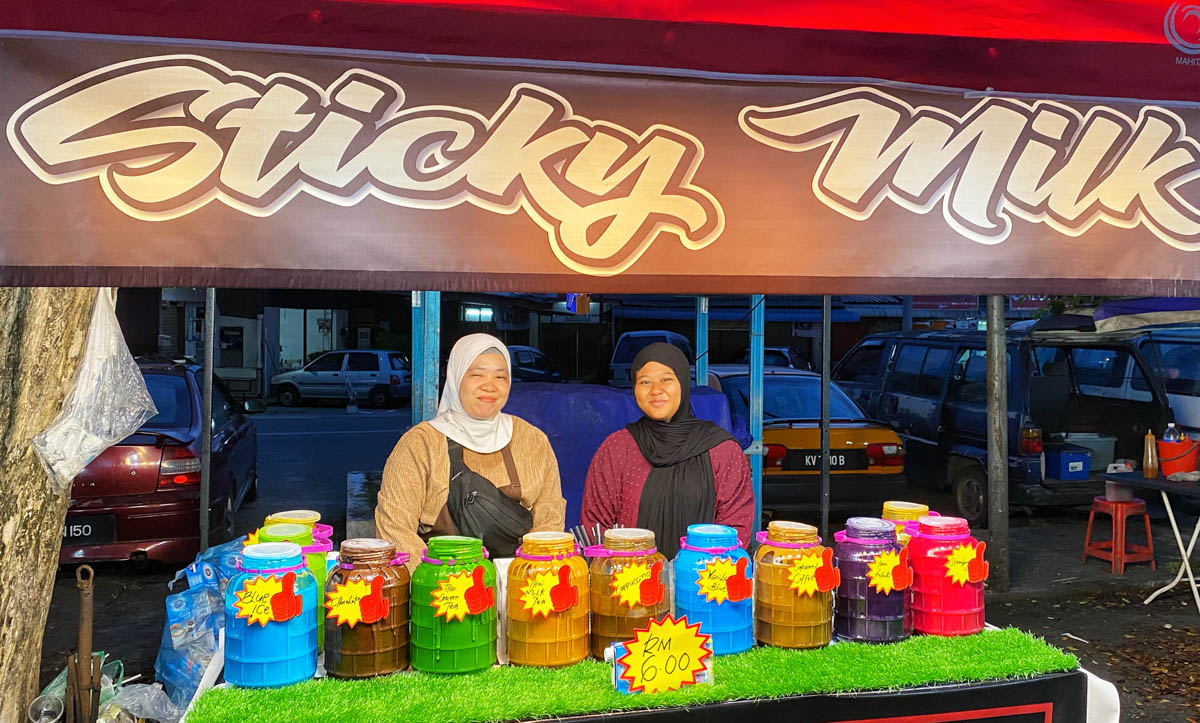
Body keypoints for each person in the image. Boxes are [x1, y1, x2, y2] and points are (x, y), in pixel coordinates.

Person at [375, 334, 565, 569]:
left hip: (518, 586)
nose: (489, 386)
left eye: (500, 376)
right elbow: (394, 529)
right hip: (444, 591)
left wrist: (524, 576)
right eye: (477, 375)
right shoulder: (420, 444)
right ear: (455, 378)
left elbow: (551, 517)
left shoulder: (533, 440)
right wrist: (444, 584)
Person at [581, 342, 754, 559]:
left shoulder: (721, 450)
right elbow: (595, 526)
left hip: (704, 584)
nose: (655, 391)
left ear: (682, 383)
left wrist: (696, 575)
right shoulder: (617, 448)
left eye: (666, 379)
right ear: (634, 389)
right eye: (645, 382)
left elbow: (737, 527)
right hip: (628, 583)